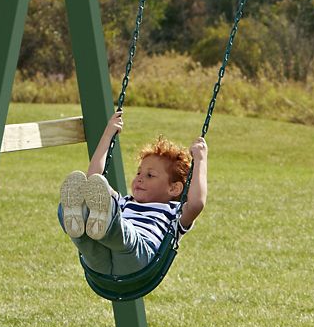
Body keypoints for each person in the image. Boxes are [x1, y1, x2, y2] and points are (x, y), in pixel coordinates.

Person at [57, 110, 207, 277]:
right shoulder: (125, 202)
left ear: (173, 188)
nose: (140, 179)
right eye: (138, 173)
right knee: (91, 231)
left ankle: (98, 225)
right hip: (101, 264)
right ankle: (77, 222)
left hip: (138, 259)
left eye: (150, 175)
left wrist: (200, 160)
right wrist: (108, 135)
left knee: (119, 227)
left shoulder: (174, 211)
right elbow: (93, 180)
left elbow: (196, 204)